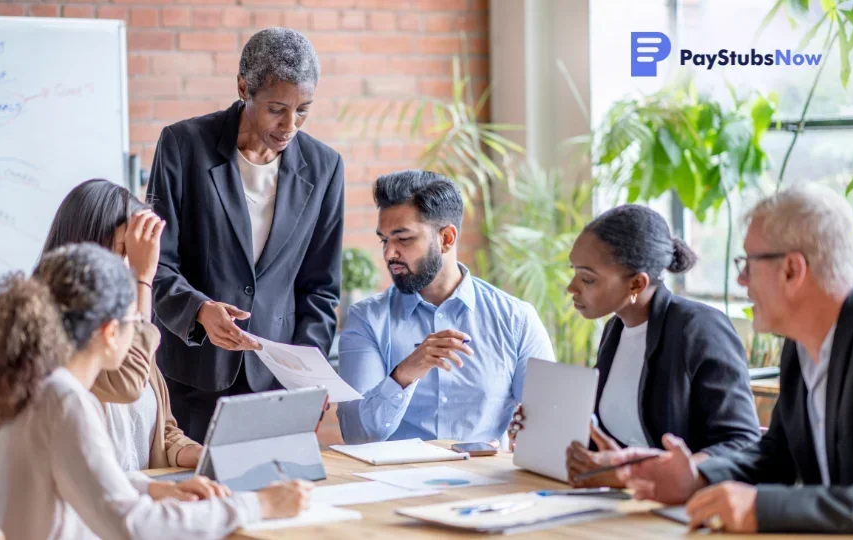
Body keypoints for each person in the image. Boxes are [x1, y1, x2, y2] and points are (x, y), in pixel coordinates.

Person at [0, 243, 311, 539]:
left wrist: (152, 487)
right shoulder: (63, 400)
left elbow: (83, 479)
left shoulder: (26, 385)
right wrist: (260, 504)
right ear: (110, 333)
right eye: (135, 322)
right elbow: (133, 527)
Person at [616, 185, 853, 534]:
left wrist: (765, 508)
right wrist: (698, 477)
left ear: (791, 270)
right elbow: (778, 453)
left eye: (748, 264)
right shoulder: (801, 342)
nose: (741, 280)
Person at [147, 27, 343, 442]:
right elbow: (156, 263)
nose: (290, 125)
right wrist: (199, 310)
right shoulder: (183, 146)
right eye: (277, 108)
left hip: (277, 382)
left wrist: (309, 370)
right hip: (195, 376)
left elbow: (321, 287)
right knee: (196, 497)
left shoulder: (324, 167)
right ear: (243, 88)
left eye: (304, 110)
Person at [509, 205, 760, 486]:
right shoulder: (615, 330)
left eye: (587, 279)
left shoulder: (699, 328)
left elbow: (742, 443)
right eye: (575, 272)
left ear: (636, 284)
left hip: (686, 511)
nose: (571, 287)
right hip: (627, 501)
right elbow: (617, 440)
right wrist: (543, 433)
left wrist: (635, 472)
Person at [336, 170, 555, 445]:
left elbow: (550, 425)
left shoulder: (516, 320)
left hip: (485, 484)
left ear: (447, 238)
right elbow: (357, 435)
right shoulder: (366, 319)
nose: (389, 254)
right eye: (385, 240)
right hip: (399, 485)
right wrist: (404, 374)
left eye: (403, 239)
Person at [41, 178, 200, 470]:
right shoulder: (52, 328)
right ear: (86, 247)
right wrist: (143, 277)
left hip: (137, 494)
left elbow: (162, 428)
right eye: (123, 251)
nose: (128, 265)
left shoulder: (121, 318)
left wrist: (197, 454)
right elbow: (127, 385)